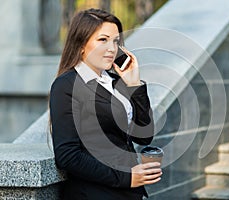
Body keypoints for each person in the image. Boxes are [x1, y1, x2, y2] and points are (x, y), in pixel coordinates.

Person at [49, 8, 162, 200]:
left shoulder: (115, 81)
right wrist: (126, 178)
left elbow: (144, 136)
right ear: (81, 44)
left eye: (115, 41)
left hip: (129, 192)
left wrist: (134, 84)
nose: (112, 48)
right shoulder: (66, 85)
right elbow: (67, 155)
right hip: (95, 192)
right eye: (103, 40)